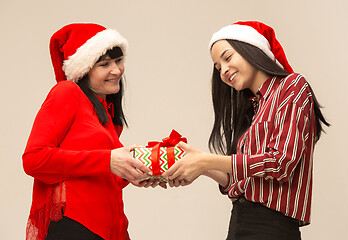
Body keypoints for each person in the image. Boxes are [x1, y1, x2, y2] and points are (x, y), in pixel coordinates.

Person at [163, 21, 330, 239]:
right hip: (238, 223)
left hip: (271, 228)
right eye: (217, 67)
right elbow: (242, 180)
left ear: (252, 49)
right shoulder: (252, 111)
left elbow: (280, 163)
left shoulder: (292, 86)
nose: (223, 70)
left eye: (227, 57)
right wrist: (197, 166)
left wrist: (205, 160)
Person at [22, 23, 156, 240]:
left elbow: (94, 174)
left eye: (119, 61)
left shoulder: (106, 114)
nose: (116, 70)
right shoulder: (67, 92)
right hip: (76, 227)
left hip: (111, 230)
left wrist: (136, 172)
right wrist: (108, 160)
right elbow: (34, 159)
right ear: (84, 70)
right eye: (105, 64)